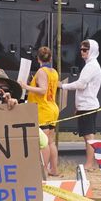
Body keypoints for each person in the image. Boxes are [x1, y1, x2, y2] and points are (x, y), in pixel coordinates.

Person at [61, 39, 101, 171]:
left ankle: (90, 164)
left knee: (89, 136)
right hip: (85, 105)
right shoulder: (90, 65)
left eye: (85, 50)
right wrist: (78, 106)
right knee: (87, 136)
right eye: (81, 49)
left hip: (88, 106)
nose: (82, 52)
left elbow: (81, 84)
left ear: (92, 51)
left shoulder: (91, 66)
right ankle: (90, 163)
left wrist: (63, 86)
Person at [20, 46, 60, 177]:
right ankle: (54, 169)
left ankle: (43, 170)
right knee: (50, 141)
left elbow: (43, 89)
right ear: (50, 58)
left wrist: (26, 87)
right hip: (52, 107)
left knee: (43, 142)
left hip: (43, 109)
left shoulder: (42, 72)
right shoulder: (53, 71)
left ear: (38, 58)